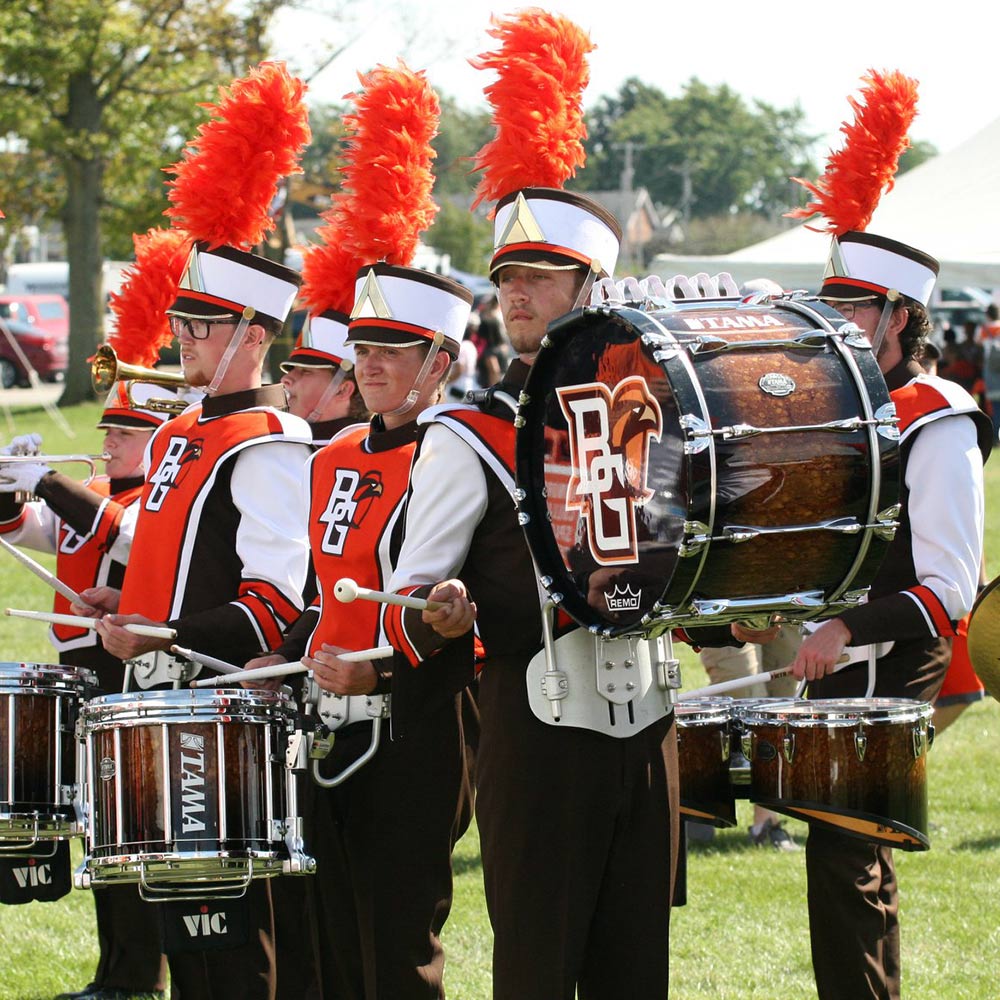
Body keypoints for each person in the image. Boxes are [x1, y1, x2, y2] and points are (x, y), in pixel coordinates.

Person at [80, 61, 314, 1000]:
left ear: (254, 336)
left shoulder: (271, 440)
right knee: (187, 938)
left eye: (203, 325)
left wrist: (165, 633)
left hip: (221, 707)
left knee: (231, 943)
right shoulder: (180, 431)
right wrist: (124, 596)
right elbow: (171, 556)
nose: (183, 338)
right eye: (183, 320)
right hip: (160, 693)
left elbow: (273, 602)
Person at [740, 228, 991, 1000]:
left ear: (899, 318)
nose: (835, 323)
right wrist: (767, 606)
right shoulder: (847, 406)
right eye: (833, 305)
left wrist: (847, 628)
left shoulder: (939, 415)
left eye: (853, 308)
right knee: (847, 861)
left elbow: (949, 588)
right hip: (841, 652)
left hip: (892, 655)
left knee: (848, 858)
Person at [0, 384, 173, 1000]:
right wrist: (11, 483)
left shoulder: (159, 502)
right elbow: (21, 529)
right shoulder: (95, 493)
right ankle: (116, 971)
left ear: (160, 439)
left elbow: (128, 537)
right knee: (98, 824)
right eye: (108, 431)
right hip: (82, 671)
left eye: (125, 432)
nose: (109, 442)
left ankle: (138, 974)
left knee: (130, 822)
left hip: (132, 669)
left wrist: (47, 481)